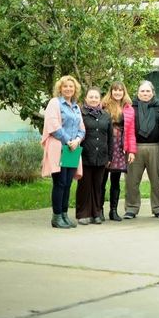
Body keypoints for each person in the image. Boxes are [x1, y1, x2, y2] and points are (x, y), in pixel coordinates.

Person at [41, 75, 86, 229]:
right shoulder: (54, 103)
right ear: (60, 88)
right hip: (59, 148)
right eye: (65, 86)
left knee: (67, 183)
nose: (68, 89)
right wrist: (68, 141)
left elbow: (82, 128)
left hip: (72, 149)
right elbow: (53, 126)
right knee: (59, 183)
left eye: (71, 86)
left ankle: (65, 215)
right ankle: (56, 217)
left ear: (75, 90)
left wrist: (77, 140)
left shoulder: (75, 106)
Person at [124, 81, 159, 219]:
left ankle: (158, 208)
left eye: (148, 91)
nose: (145, 94)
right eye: (142, 91)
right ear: (138, 93)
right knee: (132, 180)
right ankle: (131, 207)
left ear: (153, 93)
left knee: (156, 179)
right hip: (134, 148)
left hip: (155, 147)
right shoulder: (130, 107)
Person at [76, 87, 113, 225]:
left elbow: (110, 138)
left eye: (96, 97)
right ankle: (83, 213)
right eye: (91, 97)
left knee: (98, 186)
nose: (93, 99)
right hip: (85, 155)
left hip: (101, 157)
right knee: (84, 186)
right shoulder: (80, 114)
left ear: (100, 99)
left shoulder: (106, 115)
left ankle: (96, 213)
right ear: (86, 99)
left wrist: (109, 157)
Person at [101, 81, 136, 221]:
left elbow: (131, 131)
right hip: (105, 144)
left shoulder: (128, 108)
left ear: (124, 92)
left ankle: (113, 211)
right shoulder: (103, 106)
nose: (117, 92)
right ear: (111, 91)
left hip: (120, 146)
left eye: (120, 90)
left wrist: (131, 151)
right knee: (102, 180)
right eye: (115, 90)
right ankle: (99, 210)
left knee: (115, 180)